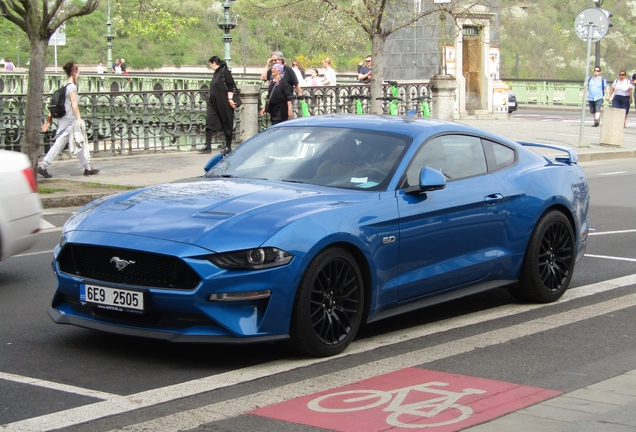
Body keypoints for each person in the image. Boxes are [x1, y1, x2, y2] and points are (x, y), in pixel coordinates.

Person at [38, 61, 99, 178]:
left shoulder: (64, 86)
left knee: (78, 141)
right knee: (61, 143)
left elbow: (54, 105)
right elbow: (74, 105)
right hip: (70, 121)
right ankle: (43, 166)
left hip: (64, 120)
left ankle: (88, 167)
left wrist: (48, 121)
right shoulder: (72, 87)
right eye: (78, 73)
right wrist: (79, 119)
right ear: (74, 73)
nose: (79, 75)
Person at [198, 56, 238, 154]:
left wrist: (230, 99)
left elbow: (230, 85)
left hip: (223, 102)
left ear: (214, 63)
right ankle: (208, 145)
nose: (210, 66)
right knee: (209, 122)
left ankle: (228, 146)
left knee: (226, 123)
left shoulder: (224, 72)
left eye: (210, 64)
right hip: (213, 103)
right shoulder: (216, 73)